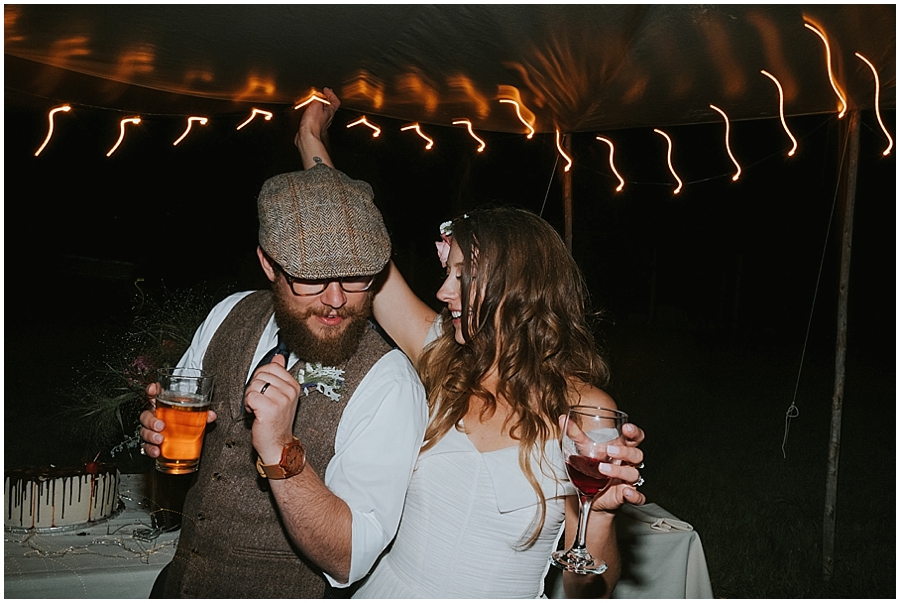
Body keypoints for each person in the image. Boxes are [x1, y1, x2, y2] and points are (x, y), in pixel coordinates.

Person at [296, 91, 646, 598]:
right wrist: (310, 140)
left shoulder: (584, 409)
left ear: (519, 288)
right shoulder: (441, 356)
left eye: (463, 276)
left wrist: (602, 518)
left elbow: (586, 591)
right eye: (447, 272)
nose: (441, 292)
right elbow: (360, 244)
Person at [139, 90, 427, 598]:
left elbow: (348, 557)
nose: (336, 299)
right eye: (312, 279)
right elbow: (193, 470)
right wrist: (161, 439)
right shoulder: (228, 313)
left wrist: (280, 448)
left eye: (358, 277)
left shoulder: (389, 382)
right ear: (268, 264)